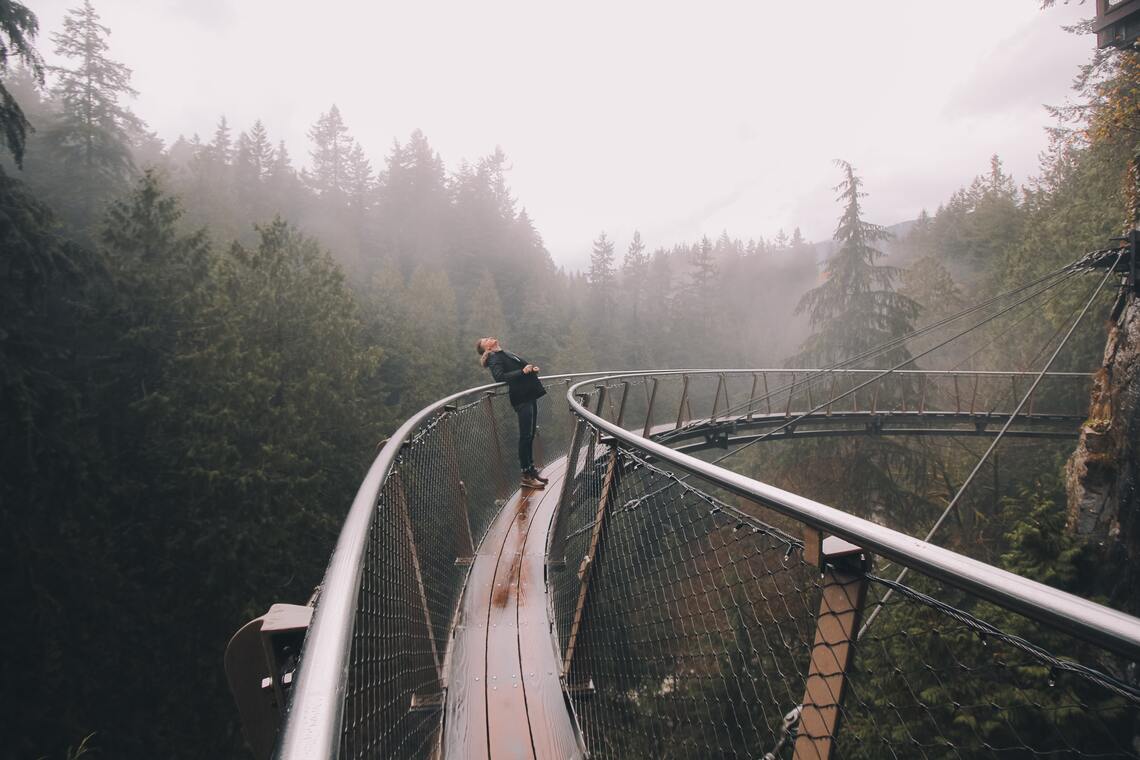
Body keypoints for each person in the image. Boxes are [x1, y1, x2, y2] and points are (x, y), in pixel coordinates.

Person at [476, 337, 549, 489]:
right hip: (521, 398)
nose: (490, 338)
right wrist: (522, 371)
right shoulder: (494, 358)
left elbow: (519, 369)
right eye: (486, 340)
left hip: (528, 394)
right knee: (525, 436)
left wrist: (530, 369)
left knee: (530, 434)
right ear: (487, 349)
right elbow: (500, 377)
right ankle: (525, 475)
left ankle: (531, 470)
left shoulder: (504, 353)